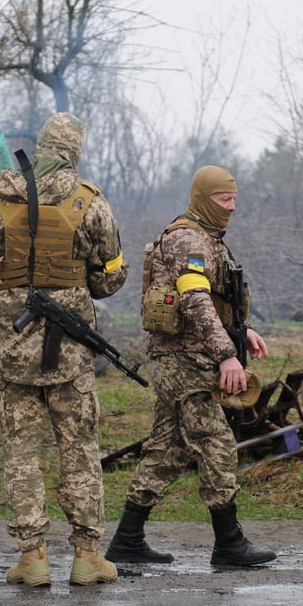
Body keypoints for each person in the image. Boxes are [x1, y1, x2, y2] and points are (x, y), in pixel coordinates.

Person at [0, 113, 128, 588]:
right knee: (80, 449)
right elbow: (110, 277)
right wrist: (75, 279)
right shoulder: (91, 201)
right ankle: (87, 557)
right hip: (70, 354)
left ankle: (32, 558)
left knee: (21, 453)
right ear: (75, 149)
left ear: (42, 147)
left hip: (10, 349)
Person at [103, 165, 276, 568]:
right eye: (224, 199)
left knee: (167, 449)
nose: (231, 207)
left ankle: (127, 539)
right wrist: (226, 354)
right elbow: (195, 300)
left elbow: (214, 301)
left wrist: (242, 331)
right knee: (216, 442)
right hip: (184, 361)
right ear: (202, 198)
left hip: (186, 357)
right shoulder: (189, 240)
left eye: (234, 199)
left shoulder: (207, 238)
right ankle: (229, 543)